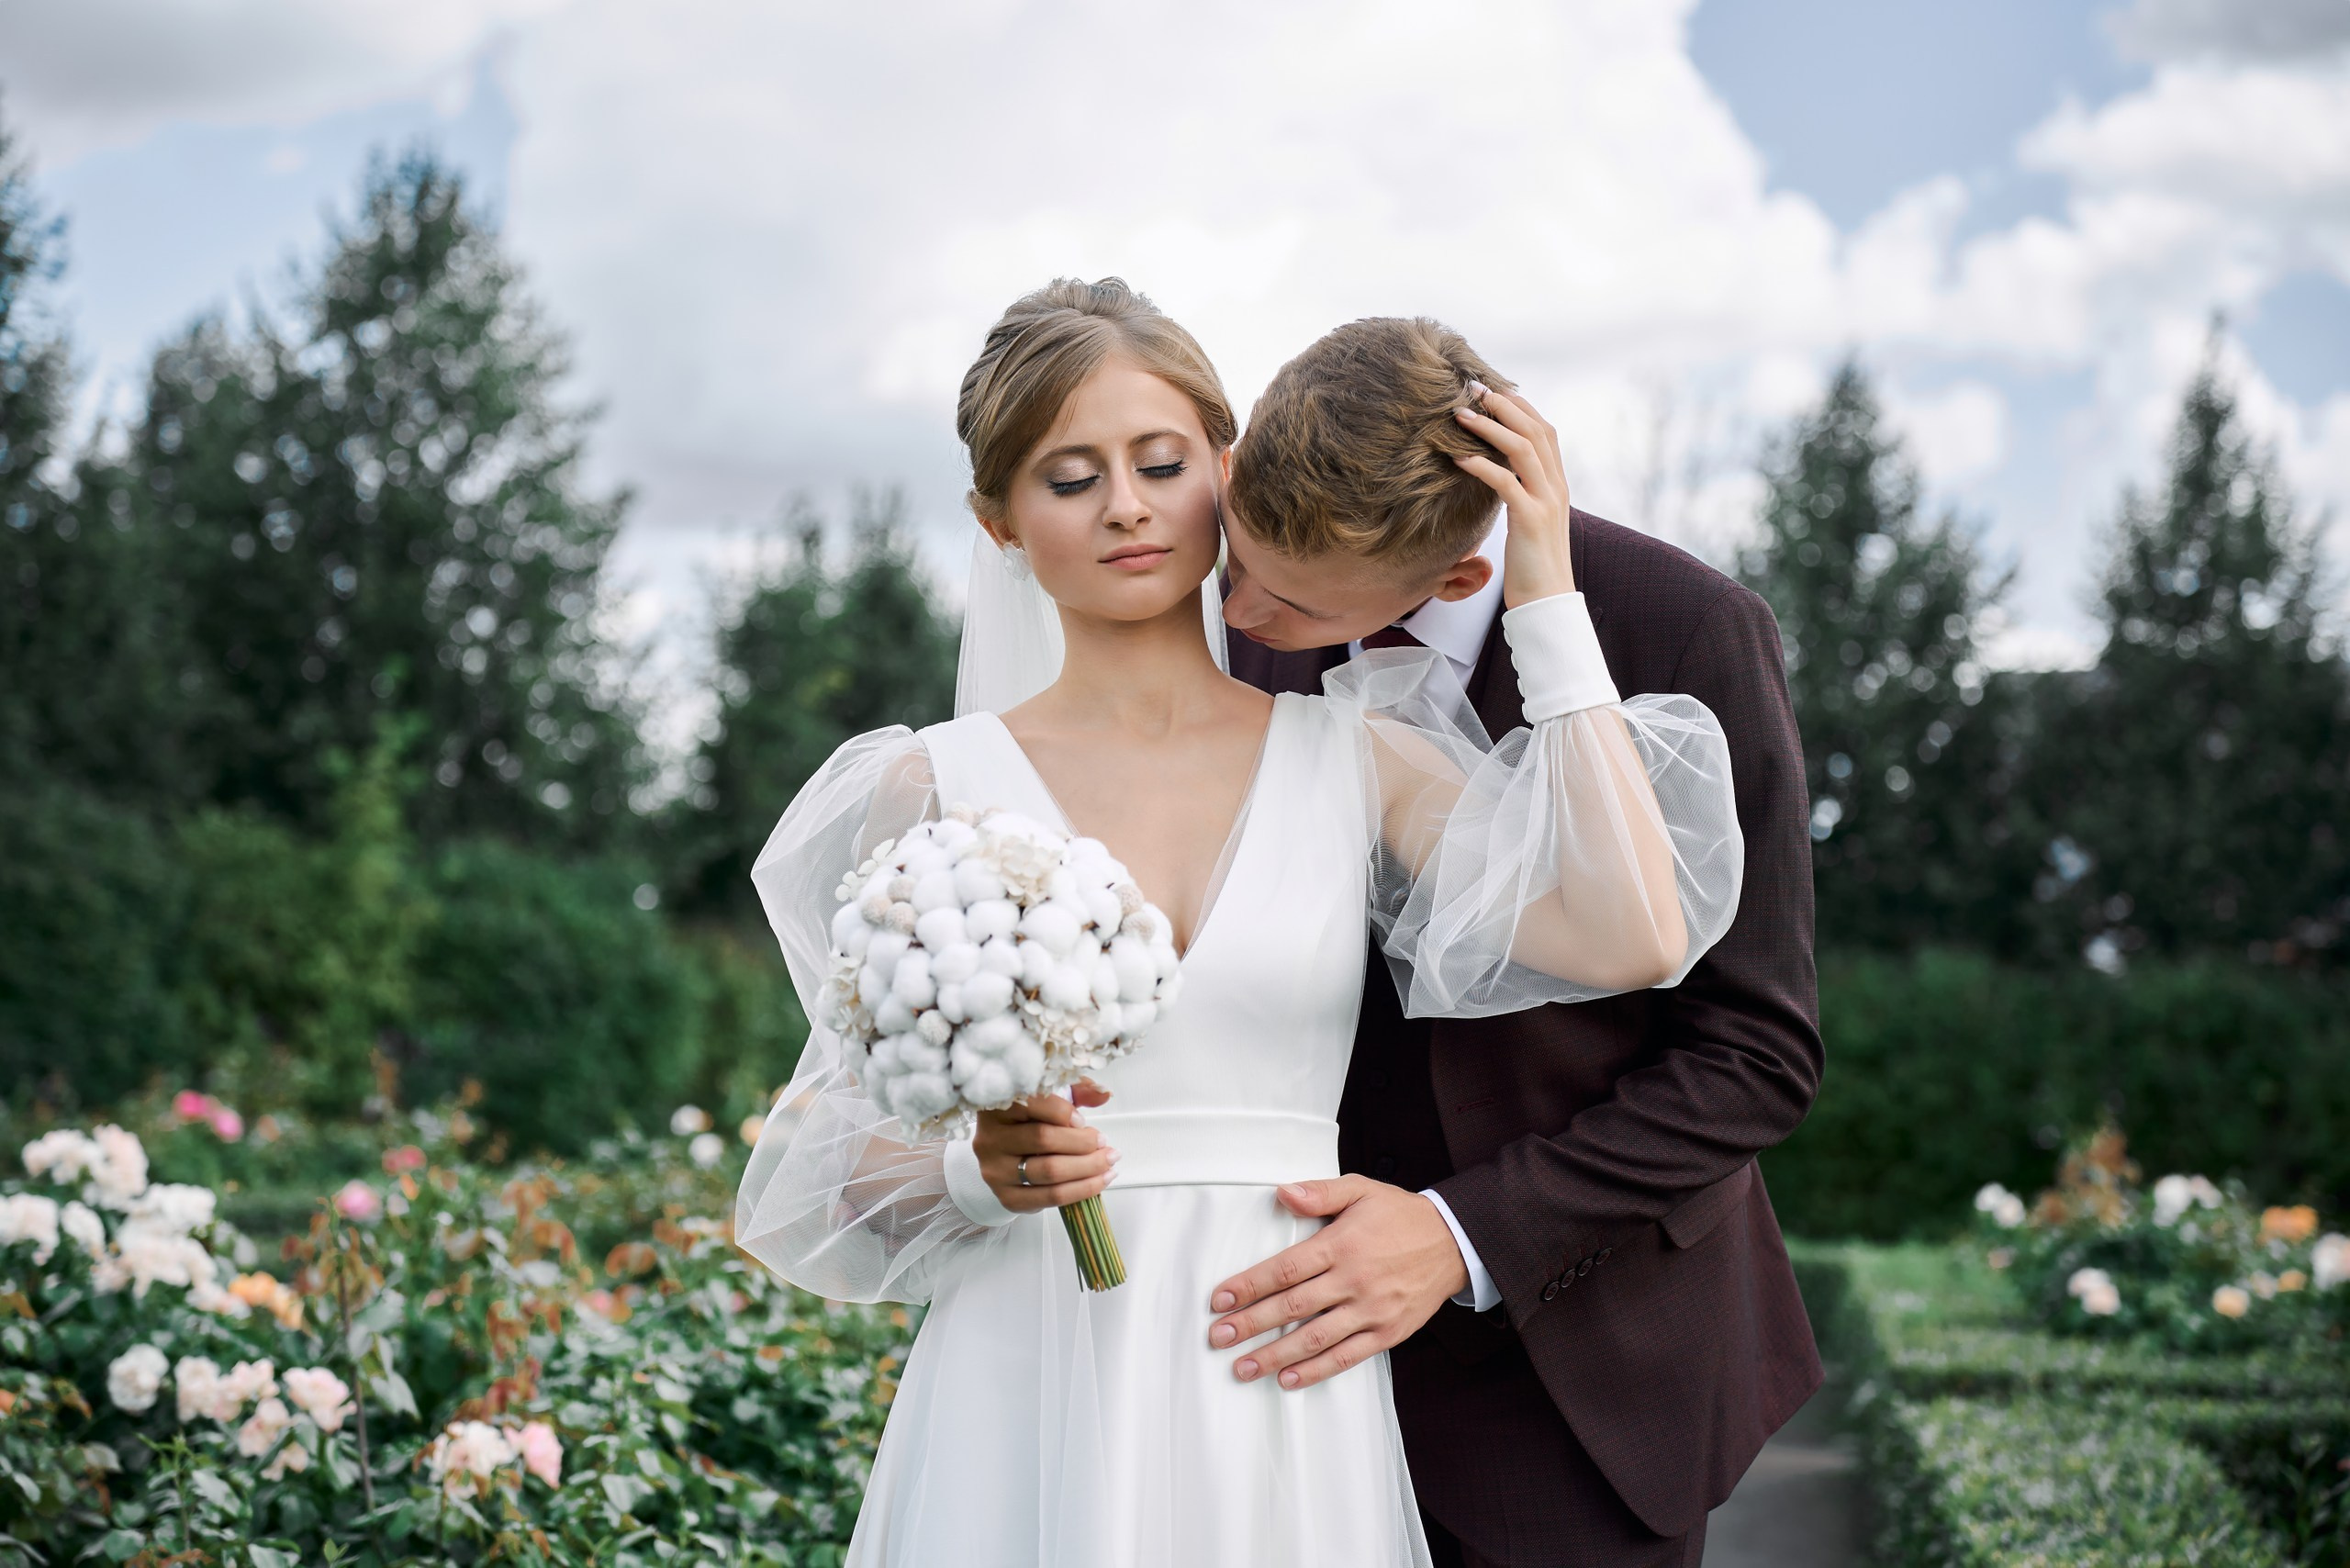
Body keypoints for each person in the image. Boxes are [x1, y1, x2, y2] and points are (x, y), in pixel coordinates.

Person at [734, 278, 1744, 1567]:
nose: (1125, 506)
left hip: (1280, 1377)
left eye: (1161, 464)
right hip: (1023, 1373)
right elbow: (818, 1166)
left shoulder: (1363, 753)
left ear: (1225, 468)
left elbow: (1634, 935)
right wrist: (970, 1172)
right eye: (1069, 479)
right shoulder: (924, 786)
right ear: (998, 523)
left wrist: (1546, 598)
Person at [1215, 317, 1825, 1567]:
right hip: (1282, 1348)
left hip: (1585, 1374)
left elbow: (1755, 1054)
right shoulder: (1224, 619)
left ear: (1451, 579)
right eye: (1234, 557)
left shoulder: (1689, 627)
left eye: (1292, 601)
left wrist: (1461, 1234)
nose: (1235, 612)